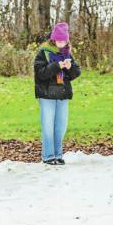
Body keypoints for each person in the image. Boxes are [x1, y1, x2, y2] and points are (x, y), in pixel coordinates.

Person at [33, 22, 81, 165]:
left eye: (64, 40)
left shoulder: (67, 54)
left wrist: (70, 67)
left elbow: (76, 73)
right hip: (46, 94)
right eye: (59, 40)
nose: (61, 43)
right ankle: (48, 156)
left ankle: (58, 155)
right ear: (53, 39)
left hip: (62, 94)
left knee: (60, 126)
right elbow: (40, 73)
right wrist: (56, 66)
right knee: (48, 126)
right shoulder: (43, 52)